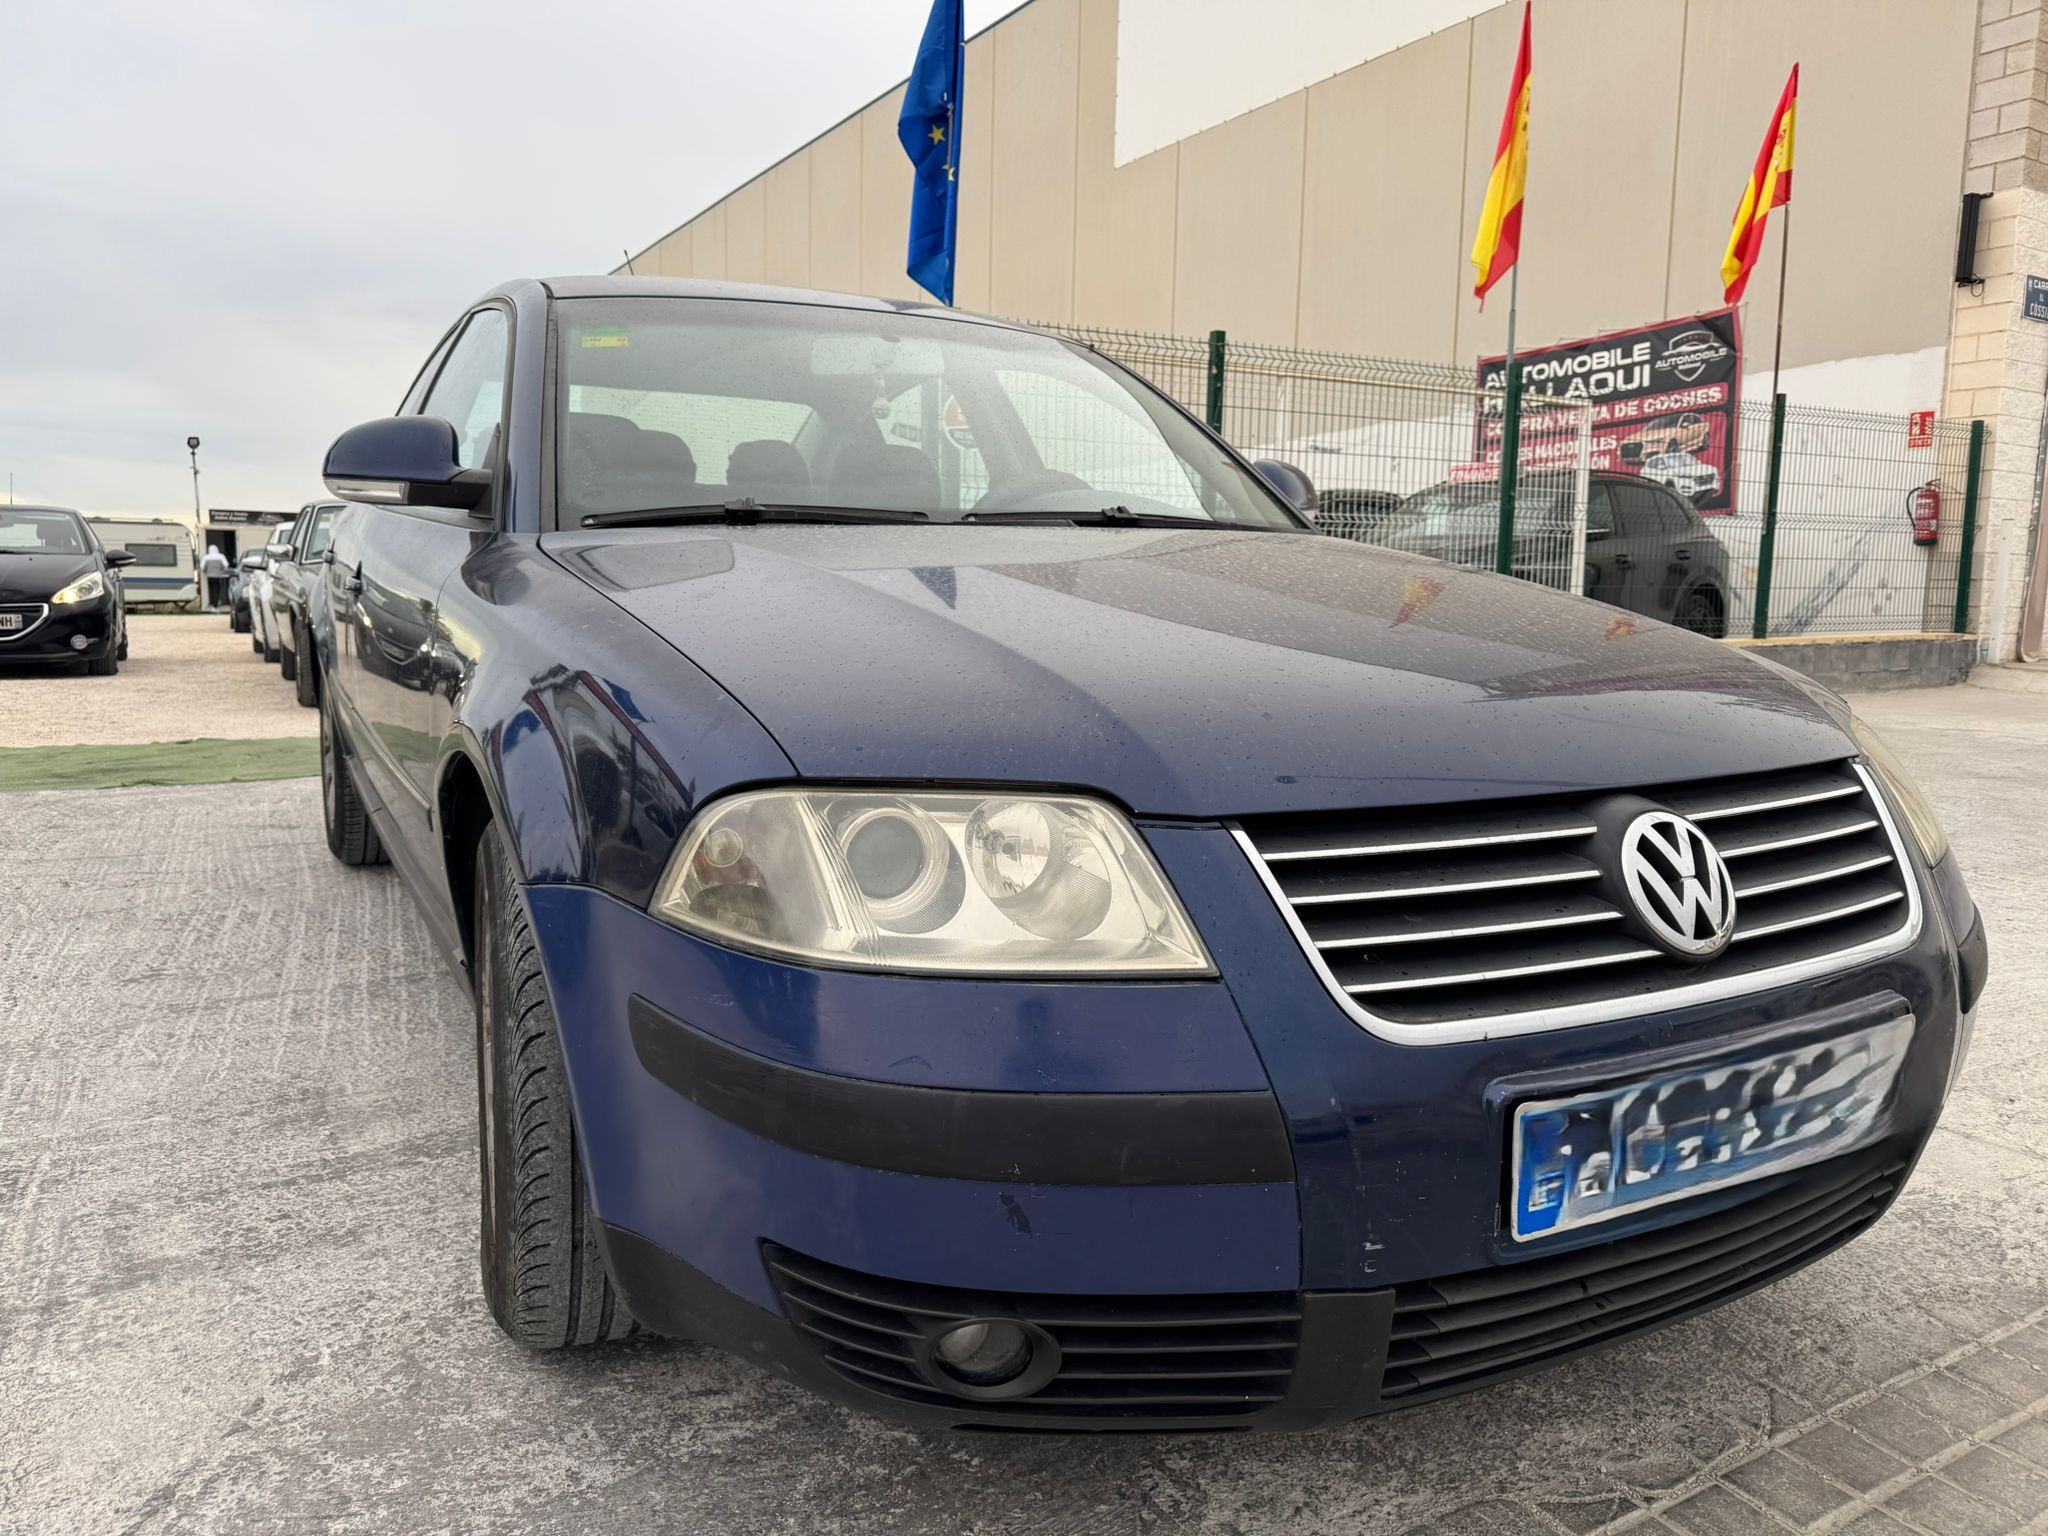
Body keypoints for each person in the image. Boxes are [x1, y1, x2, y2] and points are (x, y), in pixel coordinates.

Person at [200, 542, 230, 611]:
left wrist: (206, 571)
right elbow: (226, 565)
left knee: (212, 590)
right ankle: (215, 605)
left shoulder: (206, 557)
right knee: (217, 590)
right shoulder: (221, 556)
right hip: (218, 576)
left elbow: (202, 567)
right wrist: (222, 570)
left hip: (209, 576)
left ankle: (214, 602)